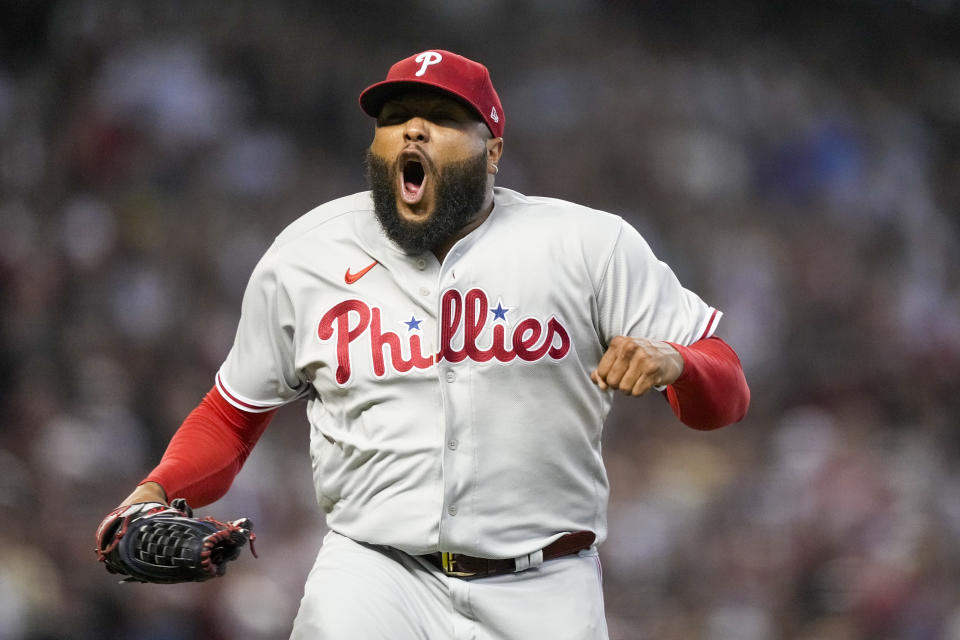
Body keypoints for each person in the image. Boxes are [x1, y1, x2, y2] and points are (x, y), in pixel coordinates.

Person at [99, 49, 750, 639]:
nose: (413, 128)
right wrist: (157, 488)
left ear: (492, 149)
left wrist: (679, 364)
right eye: (396, 117)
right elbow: (232, 413)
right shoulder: (308, 254)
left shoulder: (586, 245)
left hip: (545, 583)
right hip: (373, 573)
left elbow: (725, 393)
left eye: (440, 117)